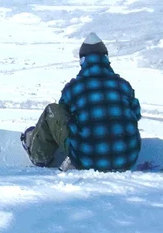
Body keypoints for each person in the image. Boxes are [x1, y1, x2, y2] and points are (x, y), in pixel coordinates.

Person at [21, 32, 142, 171]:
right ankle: (119, 145)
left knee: (52, 110)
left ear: (82, 61)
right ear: (106, 58)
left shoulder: (74, 88)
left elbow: (64, 116)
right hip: (127, 159)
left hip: (85, 159)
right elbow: (136, 114)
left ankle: (39, 155)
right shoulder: (123, 86)